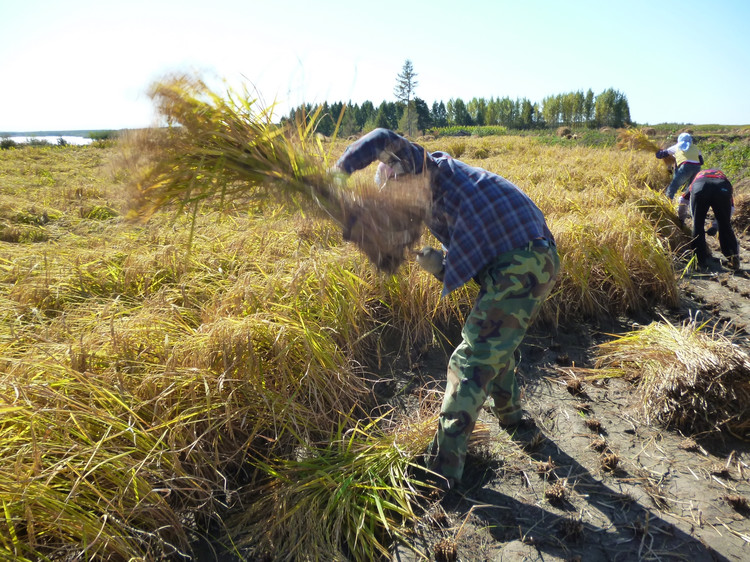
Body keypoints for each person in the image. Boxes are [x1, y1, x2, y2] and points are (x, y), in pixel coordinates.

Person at [335, 128, 560, 488]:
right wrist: (439, 265)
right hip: (530, 258)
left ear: (398, 173)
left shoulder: (427, 168)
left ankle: (441, 469)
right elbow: (473, 244)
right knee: (494, 346)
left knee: (470, 359)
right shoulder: (442, 194)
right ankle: (513, 418)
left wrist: (339, 171)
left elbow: (380, 138)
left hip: (521, 260)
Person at [681, 169, 740, 270]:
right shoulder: (723, 178)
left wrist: (681, 220)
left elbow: (682, 200)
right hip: (722, 188)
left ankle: (699, 261)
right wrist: (716, 225)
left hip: (700, 187)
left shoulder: (696, 178)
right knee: (725, 225)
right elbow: (731, 209)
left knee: (697, 224)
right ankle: (732, 257)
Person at [656, 132, 704, 200]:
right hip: (697, 168)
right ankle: (688, 205)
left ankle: (667, 203)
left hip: (686, 167)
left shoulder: (677, 146)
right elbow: (701, 162)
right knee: (691, 189)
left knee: (673, 186)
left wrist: (656, 150)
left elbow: (660, 155)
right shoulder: (695, 148)